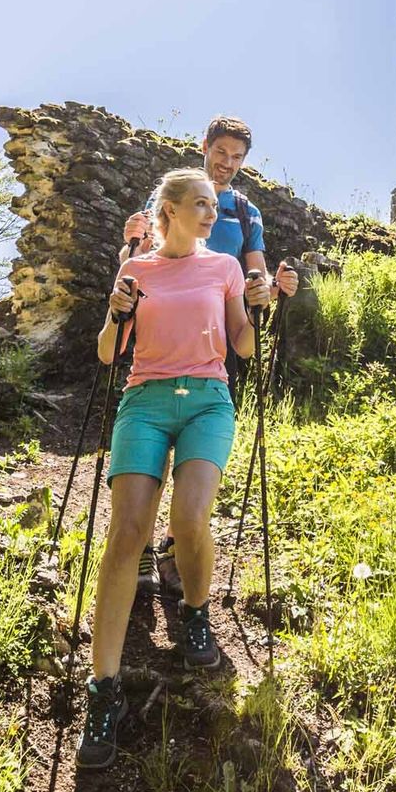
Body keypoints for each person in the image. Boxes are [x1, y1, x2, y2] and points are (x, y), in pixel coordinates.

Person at [78, 167, 276, 769]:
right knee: (126, 534)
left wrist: (264, 303)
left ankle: (194, 613)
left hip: (209, 400)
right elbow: (110, 353)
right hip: (144, 401)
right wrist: (115, 313)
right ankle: (103, 690)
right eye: (200, 203)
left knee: (190, 518)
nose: (212, 212)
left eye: (214, 205)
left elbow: (243, 343)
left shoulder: (225, 268)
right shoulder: (136, 269)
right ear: (168, 210)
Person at [121, 115, 297, 601]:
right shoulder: (178, 192)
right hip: (162, 331)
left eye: (237, 157)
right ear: (205, 147)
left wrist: (264, 291)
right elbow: (136, 256)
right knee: (150, 446)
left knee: (197, 449)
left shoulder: (244, 210)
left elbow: (254, 268)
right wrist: (128, 244)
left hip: (221, 334)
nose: (227, 164)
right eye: (221, 152)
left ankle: (177, 550)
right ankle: (138, 548)